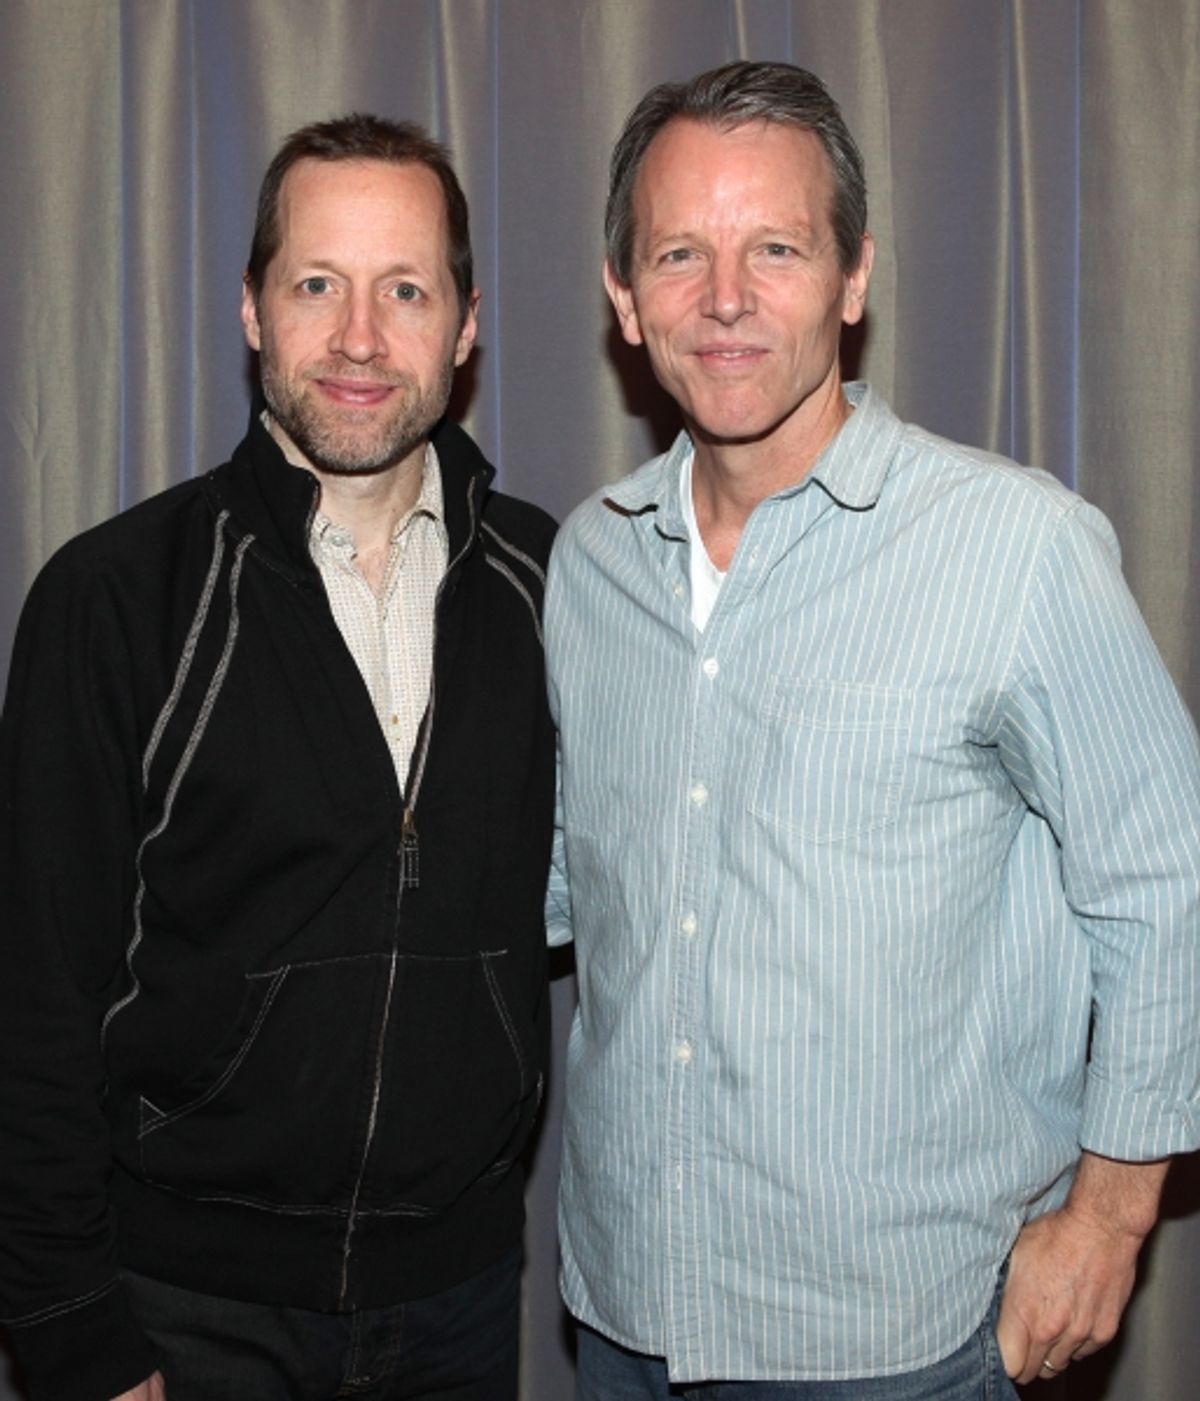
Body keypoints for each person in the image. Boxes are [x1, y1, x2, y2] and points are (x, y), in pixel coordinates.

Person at [545, 60, 1200, 1399]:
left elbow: (1170, 880)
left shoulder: (1017, 550)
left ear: (854, 279)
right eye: (680, 253)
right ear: (624, 295)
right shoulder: (587, 568)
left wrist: (1106, 1221)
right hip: (623, 1315)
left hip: (905, 1341)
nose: (725, 299)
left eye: (775, 248)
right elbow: (567, 877)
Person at [0, 113, 556, 1401]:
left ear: (465, 325)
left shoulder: (552, 585)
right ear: (253, 308)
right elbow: (32, 994)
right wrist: (71, 1325)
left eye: (405, 289)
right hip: (185, 1316)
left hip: (461, 1307)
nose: (360, 336)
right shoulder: (113, 599)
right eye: (317, 284)